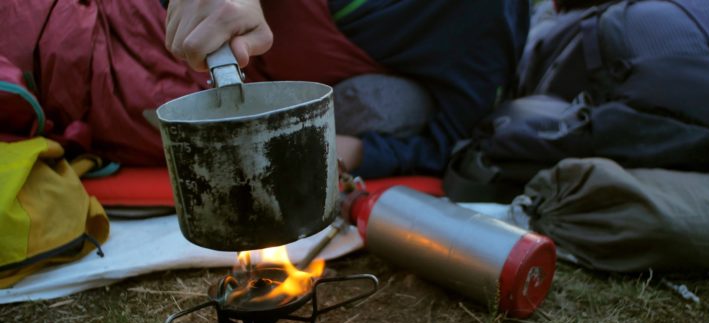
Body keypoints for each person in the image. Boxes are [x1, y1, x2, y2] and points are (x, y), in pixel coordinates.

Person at [165, 0, 530, 178]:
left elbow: (452, 141)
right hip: (188, 44)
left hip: (321, 93)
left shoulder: (485, 21)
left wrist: (360, 153)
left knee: (385, 104)